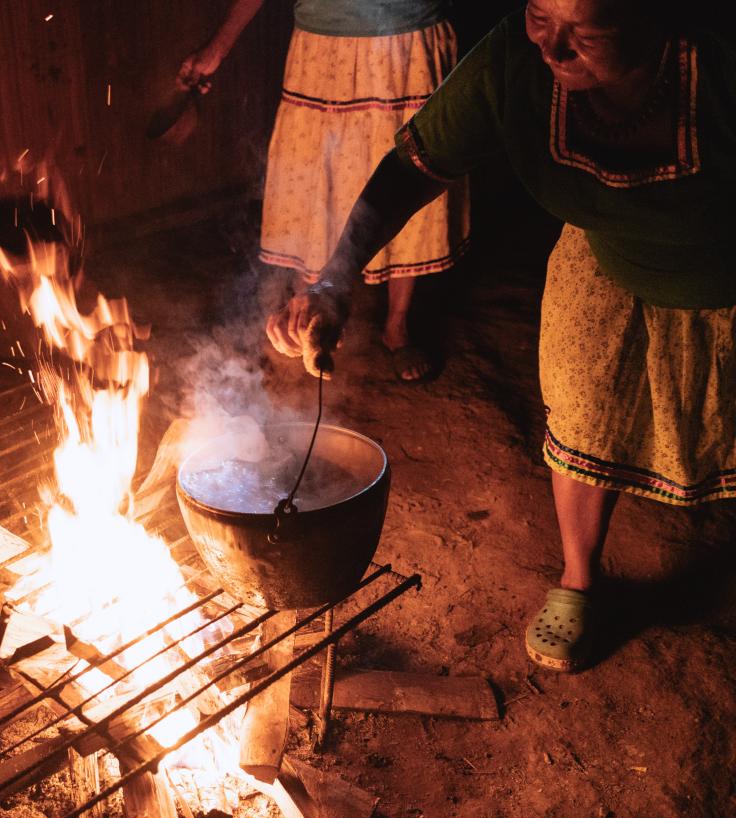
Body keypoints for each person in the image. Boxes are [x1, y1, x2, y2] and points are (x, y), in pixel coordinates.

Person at [267, 0, 735, 671]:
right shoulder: (513, 63)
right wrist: (334, 282)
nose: (555, 50)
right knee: (584, 410)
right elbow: (413, 167)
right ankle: (579, 579)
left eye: (588, 32)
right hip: (606, 258)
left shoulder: (717, 65)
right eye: (541, 17)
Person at [180, 0, 469, 382]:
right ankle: (309, 316)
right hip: (323, 47)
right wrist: (217, 48)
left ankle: (396, 325)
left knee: (409, 163)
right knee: (316, 184)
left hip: (409, 41)